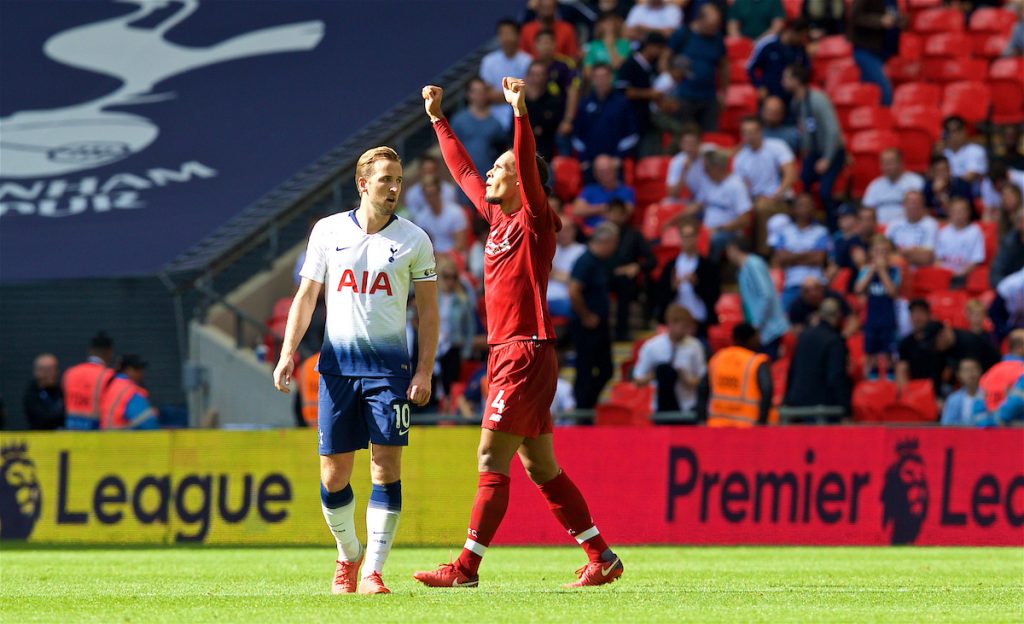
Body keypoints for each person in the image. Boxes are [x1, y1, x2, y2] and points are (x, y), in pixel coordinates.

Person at [418, 80, 622, 588]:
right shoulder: (496, 218)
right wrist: (438, 118)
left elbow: (526, 164)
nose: (490, 171)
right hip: (509, 351)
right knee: (541, 466)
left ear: (524, 181)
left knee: (490, 456)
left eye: (501, 168)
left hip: (524, 352)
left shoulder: (535, 221)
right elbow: (463, 169)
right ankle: (601, 556)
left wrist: (520, 114)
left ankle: (465, 569)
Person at [272, 146, 440, 595]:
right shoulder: (327, 232)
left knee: (386, 467)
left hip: (389, 372)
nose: (394, 187)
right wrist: (289, 351)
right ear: (363, 184)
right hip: (337, 370)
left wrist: (424, 371)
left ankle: (374, 571)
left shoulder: (415, 240)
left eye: (399, 179)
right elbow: (306, 297)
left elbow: (428, 314)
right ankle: (349, 555)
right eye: (386, 179)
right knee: (333, 475)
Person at [784, 63, 845, 230]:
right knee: (802, 188)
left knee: (825, 192)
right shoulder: (796, 103)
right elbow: (804, 130)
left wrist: (827, 158)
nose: (783, 81)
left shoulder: (818, 99)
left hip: (831, 152)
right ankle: (804, 227)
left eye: (787, 78)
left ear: (797, 80)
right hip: (813, 153)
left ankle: (834, 228)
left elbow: (833, 130)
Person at [568, 222, 618, 408]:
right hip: (586, 326)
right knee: (585, 368)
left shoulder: (597, 262)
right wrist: (586, 315)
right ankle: (582, 407)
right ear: (607, 242)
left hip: (599, 324)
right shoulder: (586, 261)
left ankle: (588, 403)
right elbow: (573, 290)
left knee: (606, 369)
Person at [735, 116, 797, 253]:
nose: (749, 136)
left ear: (760, 132)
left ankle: (764, 253)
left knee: (762, 207)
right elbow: (742, 188)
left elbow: (790, 173)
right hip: (756, 201)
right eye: (745, 133)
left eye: (752, 132)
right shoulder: (740, 158)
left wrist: (777, 194)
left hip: (781, 199)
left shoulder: (777, 146)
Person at [783, 298, 850, 420]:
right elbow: (835, 377)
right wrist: (845, 409)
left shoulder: (803, 336)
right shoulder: (834, 341)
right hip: (822, 408)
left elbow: (792, 370)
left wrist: (787, 400)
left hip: (796, 404)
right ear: (838, 315)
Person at [632, 304, 707, 413]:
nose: (687, 331)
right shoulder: (652, 346)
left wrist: (685, 378)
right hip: (659, 405)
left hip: (687, 405)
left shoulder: (695, 346)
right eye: (683, 327)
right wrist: (657, 374)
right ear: (671, 324)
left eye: (689, 327)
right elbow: (638, 380)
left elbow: (701, 378)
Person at [699, 323, 774, 426]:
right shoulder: (756, 362)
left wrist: (702, 420)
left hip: (716, 428)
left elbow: (702, 389)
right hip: (747, 428)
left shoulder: (717, 358)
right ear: (750, 339)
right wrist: (761, 422)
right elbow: (767, 389)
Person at [669, 3, 729, 131]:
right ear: (700, 20)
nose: (714, 29)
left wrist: (723, 93)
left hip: (708, 97)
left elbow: (723, 66)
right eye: (711, 26)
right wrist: (671, 76)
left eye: (716, 26)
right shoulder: (682, 34)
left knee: (709, 137)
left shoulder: (717, 38)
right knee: (686, 135)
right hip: (684, 96)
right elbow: (665, 58)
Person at [727, 239, 790, 358]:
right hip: (760, 331)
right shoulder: (743, 270)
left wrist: (755, 325)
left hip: (769, 329)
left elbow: (766, 295)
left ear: (734, 248)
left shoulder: (753, 264)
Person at [658, 220, 721, 337]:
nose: (687, 240)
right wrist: (673, 287)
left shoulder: (708, 265)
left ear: (697, 237)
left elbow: (714, 294)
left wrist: (697, 284)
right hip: (677, 320)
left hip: (700, 319)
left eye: (690, 236)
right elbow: (661, 294)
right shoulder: (670, 265)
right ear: (680, 237)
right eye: (684, 236)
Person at [688, 149, 753, 261]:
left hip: (728, 232)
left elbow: (745, 219)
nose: (704, 172)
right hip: (707, 229)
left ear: (717, 168)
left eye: (707, 169)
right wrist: (673, 220)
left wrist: (718, 229)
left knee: (713, 240)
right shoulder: (707, 182)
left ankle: (710, 273)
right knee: (687, 235)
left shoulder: (736, 185)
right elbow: (697, 205)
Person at [571, 63, 638, 166]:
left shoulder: (623, 103)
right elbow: (576, 135)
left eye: (604, 76)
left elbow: (632, 134)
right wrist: (585, 157)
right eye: (597, 77)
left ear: (611, 78)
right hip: (590, 163)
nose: (601, 81)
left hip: (616, 163)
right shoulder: (584, 104)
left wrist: (619, 157)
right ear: (592, 80)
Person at [607, 199, 656, 340]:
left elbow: (652, 260)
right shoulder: (601, 233)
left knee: (625, 284)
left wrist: (637, 266)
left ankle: (621, 332)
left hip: (626, 278)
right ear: (607, 214)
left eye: (619, 213)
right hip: (603, 275)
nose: (615, 217)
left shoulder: (634, 235)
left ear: (625, 215)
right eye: (612, 213)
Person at [855, 235, 901, 379]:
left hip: (888, 320)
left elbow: (892, 292)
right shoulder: (866, 271)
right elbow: (858, 289)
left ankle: (890, 379)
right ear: (871, 254)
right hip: (871, 319)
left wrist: (882, 272)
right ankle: (871, 379)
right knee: (871, 353)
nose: (881, 255)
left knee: (889, 354)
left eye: (884, 252)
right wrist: (871, 271)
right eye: (877, 252)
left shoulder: (894, 271)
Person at [615, 33, 668, 154]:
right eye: (659, 48)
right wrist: (650, 94)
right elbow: (625, 92)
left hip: (646, 117)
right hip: (631, 118)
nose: (660, 52)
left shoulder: (651, 66)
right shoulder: (630, 64)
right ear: (649, 46)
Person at [774, 193, 830, 309]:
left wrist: (792, 256)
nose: (805, 208)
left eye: (808, 205)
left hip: (816, 285)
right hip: (792, 284)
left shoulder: (821, 231)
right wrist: (808, 253)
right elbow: (781, 259)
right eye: (801, 205)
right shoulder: (784, 232)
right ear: (794, 209)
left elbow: (818, 259)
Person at [434, 255, 476, 401]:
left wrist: (466, 352)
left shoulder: (462, 300)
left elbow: (470, 329)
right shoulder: (431, 297)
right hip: (433, 346)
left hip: (453, 347)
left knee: (450, 386)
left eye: (454, 277)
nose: (450, 281)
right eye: (446, 276)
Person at [480, 18, 534, 131]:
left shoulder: (528, 61)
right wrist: (515, 96)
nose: (507, 38)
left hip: (523, 114)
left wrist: (501, 96)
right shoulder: (488, 61)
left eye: (510, 33)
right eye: (503, 34)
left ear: (518, 36)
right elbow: (487, 94)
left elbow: (530, 92)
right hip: (493, 117)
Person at [532, 30, 581, 148]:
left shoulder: (565, 64)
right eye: (542, 43)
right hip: (540, 121)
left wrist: (568, 120)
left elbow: (573, 92)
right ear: (536, 45)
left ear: (555, 44)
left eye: (549, 42)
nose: (546, 46)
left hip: (560, 120)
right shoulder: (532, 66)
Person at [449, 78, 508, 177]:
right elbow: (450, 150)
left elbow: (503, 149)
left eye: (482, 91)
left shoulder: (495, 123)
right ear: (468, 94)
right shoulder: (458, 120)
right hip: (464, 177)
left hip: (490, 176)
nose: (479, 95)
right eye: (476, 91)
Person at [848, 0, 900, 106]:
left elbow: (895, 17)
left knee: (869, 94)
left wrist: (901, 20)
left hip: (882, 53)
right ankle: (883, 120)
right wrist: (879, 21)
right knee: (884, 92)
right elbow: (855, 16)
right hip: (865, 50)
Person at [61, 331, 115, 431]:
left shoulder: (70, 373)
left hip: (71, 432)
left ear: (90, 350)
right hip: (95, 435)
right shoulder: (109, 376)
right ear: (109, 352)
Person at [747, 18, 811, 101]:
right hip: (769, 95)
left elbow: (805, 71)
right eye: (801, 36)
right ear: (792, 32)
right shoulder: (769, 43)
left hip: (791, 97)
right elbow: (751, 67)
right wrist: (759, 86)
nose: (803, 39)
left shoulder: (801, 50)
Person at [862, 148, 925, 226]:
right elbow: (867, 211)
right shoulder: (874, 185)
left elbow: (924, 209)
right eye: (885, 163)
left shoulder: (916, 182)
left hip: (908, 228)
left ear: (901, 162)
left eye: (891, 162)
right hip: (880, 230)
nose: (888, 166)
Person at [573, 155, 635, 229]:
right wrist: (602, 208)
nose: (605, 174)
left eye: (608, 170)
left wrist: (591, 210)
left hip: (616, 231)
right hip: (590, 233)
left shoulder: (627, 191)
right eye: (601, 171)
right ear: (595, 174)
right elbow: (577, 210)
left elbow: (627, 212)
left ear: (615, 170)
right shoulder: (589, 189)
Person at [896, 299, 945, 393]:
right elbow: (902, 370)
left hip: (941, 387)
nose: (917, 317)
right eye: (914, 313)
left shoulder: (938, 336)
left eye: (921, 313)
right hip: (916, 389)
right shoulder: (906, 343)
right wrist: (906, 393)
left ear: (929, 316)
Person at [98, 354, 158, 430]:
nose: (141, 374)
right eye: (138, 370)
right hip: (124, 438)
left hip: (104, 437)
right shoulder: (131, 391)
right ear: (128, 370)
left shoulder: (110, 385)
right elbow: (148, 424)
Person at [412, 175, 468, 255]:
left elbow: (460, 243)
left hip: (455, 255)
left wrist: (445, 256)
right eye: (428, 195)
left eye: (433, 193)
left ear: (439, 192)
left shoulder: (455, 212)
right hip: (434, 257)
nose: (431, 198)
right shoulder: (420, 218)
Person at [935, 197, 985, 286]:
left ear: (968, 213)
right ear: (950, 213)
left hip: (964, 276)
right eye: (955, 211)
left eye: (962, 211)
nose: (958, 215)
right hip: (944, 275)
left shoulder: (975, 231)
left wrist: (958, 274)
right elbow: (938, 259)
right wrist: (944, 273)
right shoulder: (944, 232)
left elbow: (976, 261)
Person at [524, 60, 565, 161]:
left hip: (546, 156)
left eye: (540, 75)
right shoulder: (520, 101)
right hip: (522, 154)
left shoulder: (554, 100)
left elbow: (549, 129)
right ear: (527, 77)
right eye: (533, 75)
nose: (536, 79)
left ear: (546, 77)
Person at [787, 276, 856, 336]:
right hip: (810, 341)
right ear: (802, 293)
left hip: (834, 338)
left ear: (821, 288)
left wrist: (843, 336)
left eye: (815, 289)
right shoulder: (796, 305)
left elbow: (853, 320)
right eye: (807, 291)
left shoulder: (834, 298)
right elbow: (793, 329)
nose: (812, 293)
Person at [886, 190, 938, 268]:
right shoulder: (894, 223)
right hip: (894, 270)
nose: (912, 206)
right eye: (909, 202)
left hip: (919, 271)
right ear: (903, 205)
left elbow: (926, 257)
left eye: (916, 203)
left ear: (922, 205)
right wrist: (913, 253)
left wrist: (898, 253)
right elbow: (884, 252)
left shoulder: (930, 224)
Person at [548, 215, 587, 318]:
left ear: (574, 230)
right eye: (558, 230)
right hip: (544, 297)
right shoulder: (551, 249)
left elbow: (576, 279)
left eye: (566, 230)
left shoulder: (582, 251)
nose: (562, 233)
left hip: (565, 298)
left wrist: (553, 273)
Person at [979, 329, 1024, 413]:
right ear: (1019, 348)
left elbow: (979, 402)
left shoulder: (990, 372)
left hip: (989, 421)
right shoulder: (1022, 371)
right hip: (1015, 423)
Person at [922, 154, 974, 219]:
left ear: (950, 170)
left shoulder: (962, 185)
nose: (942, 174)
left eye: (945, 170)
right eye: (938, 171)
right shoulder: (928, 186)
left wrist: (940, 194)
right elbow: (923, 212)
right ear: (932, 173)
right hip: (935, 223)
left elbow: (962, 213)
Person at [666, 124, 709, 200]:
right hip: (692, 200)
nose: (689, 148)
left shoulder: (709, 153)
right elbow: (671, 193)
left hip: (709, 197)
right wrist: (684, 172)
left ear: (699, 143)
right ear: (680, 145)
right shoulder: (677, 161)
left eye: (692, 143)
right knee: (667, 202)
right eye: (686, 143)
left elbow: (730, 153)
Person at [940, 359, 989, 426]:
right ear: (959, 374)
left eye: (974, 369)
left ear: (980, 371)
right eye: (966, 370)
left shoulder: (988, 395)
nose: (971, 373)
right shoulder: (953, 399)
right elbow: (946, 426)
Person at [583, 11, 633, 77]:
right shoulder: (594, 45)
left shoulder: (624, 44)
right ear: (599, 25)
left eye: (611, 21)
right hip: (598, 84)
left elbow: (618, 66)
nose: (608, 23)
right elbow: (587, 71)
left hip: (617, 83)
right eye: (604, 21)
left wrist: (610, 45)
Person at [828, 204, 869, 285]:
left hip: (853, 281)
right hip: (838, 281)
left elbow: (862, 265)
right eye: (840, 217)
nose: (841, 220)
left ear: (856, 219)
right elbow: (831, 262)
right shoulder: (837, 239)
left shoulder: (858, 239)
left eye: (846, 217)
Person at [23, 353, 64, 430]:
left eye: (55, 369)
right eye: (48, 370)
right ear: (37, 372)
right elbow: (41, 418)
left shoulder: (60, 390)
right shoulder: (31, 393)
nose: (53, 373)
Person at [942, 116, 988, 186]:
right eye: (949, 132)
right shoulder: (944, 153)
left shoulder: (975, 150)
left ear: (963, 131)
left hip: (972, 192)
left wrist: (947, 182)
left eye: (956, 131)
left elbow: (971, 176)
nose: (953, 135)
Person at [991, 207, 1024, 288]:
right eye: (1022, 221)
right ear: (1018, 224)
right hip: (1013, 290)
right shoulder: (1008, 243)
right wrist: (1007, 289)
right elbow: (996, 273)